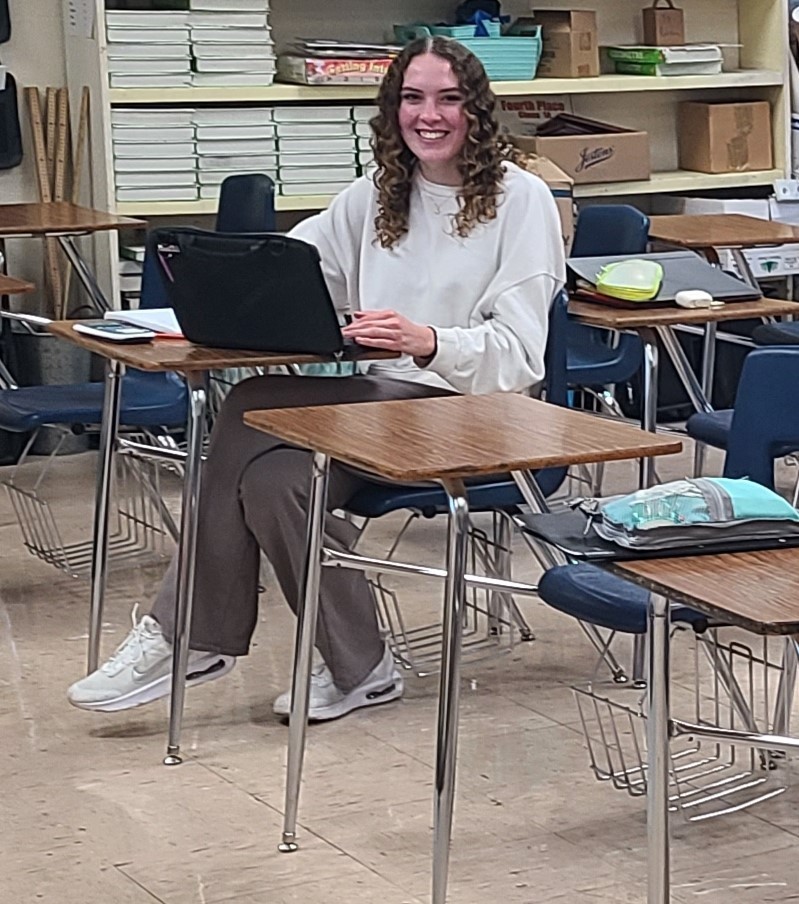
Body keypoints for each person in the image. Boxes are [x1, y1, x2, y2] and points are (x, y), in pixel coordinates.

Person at [67, 36, 566, 721]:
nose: (429, 116)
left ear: (476, 110)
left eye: (448, 99)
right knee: (274, 484)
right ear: (391, 109)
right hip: (383, 408)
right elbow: (290, 268)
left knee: (249, 402)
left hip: (477, 413)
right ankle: (362, 669)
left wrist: (427, 341)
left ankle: (186, 633)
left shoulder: (521, 199)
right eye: (412, 98)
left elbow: (520, 355)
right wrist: (203, 304)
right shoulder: (378, 195)